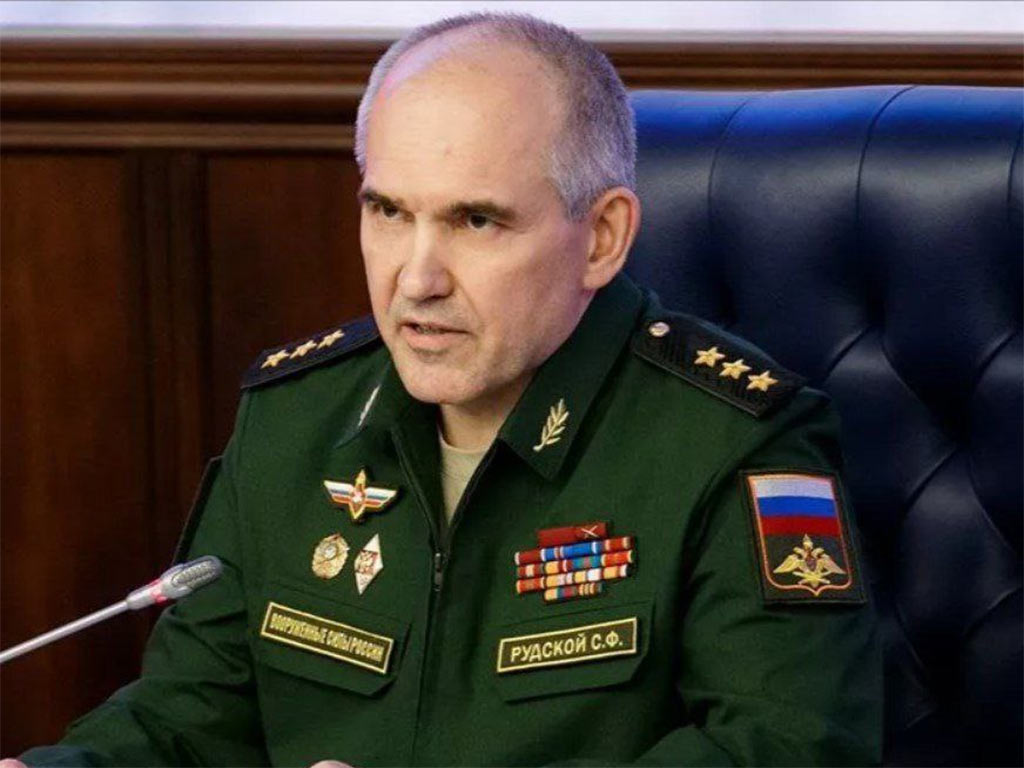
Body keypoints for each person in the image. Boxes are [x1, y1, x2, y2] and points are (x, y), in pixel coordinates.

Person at [12, 12, 882, 767]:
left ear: (603, 237)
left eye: (475, 220)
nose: (416, 280)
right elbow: (187, 722)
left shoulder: (736, 442)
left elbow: (786, 750)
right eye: (388, 211)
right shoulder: (296, 417)